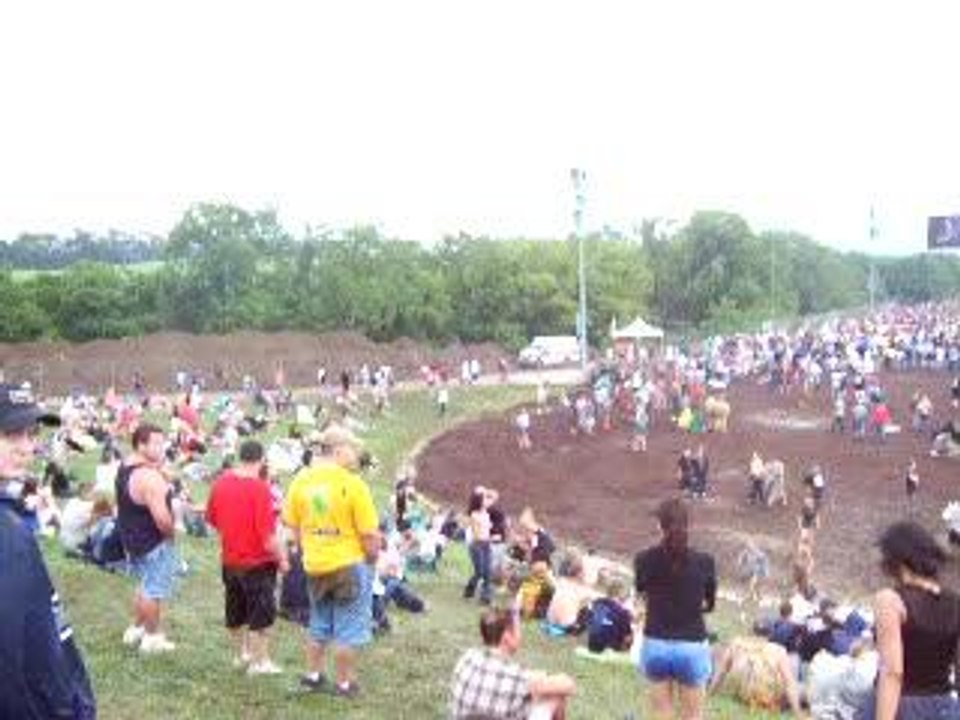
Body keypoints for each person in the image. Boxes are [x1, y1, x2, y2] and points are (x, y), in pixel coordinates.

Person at [0, 382, 97, 719]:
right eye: (11, 435)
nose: (26, 448)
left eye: (31, 434)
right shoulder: (8, 533)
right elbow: (22, 654)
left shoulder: (12, 514)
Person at [283, 425, 380, 698]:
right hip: (348, 563)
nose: (356, 454)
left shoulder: (301, 481)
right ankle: (345, 684)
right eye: (352, 449)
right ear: (339, 450)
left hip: (315, 563)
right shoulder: (353, 484)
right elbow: (369, 534)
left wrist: (309, 548)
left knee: (319, 623)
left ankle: (313, 676)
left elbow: (292, 525)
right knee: (347, 627)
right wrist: (371, 560)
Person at [860, 521, 960, 719]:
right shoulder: (956, 602)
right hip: (942, 706)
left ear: (898, 559)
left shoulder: (890, 600)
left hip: (899, 705)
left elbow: (892, 673)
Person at [205, 440, 289, 675]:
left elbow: (211, 518)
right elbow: (268, 537)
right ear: (261, 459)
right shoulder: (260, 488)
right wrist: (282, 559)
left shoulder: (221, 483)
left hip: (230, 559)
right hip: (257, 562)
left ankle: (240, 655)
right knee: (261, 614)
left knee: (235, 610)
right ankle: (259, 662)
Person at [635, 498, 717, 720]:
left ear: (659, 526)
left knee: (662, 713)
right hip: (692, 644)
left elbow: (641, 590)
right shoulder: (705, 562)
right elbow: (709, 604)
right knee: (693, 716)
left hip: (656, 643)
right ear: (688, 525)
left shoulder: (643, 559)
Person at [450, 605, 576, 720]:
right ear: (507, 637)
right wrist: (542, 679)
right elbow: (568, 685)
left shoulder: (467, 657)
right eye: (517, 630)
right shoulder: (516, 676)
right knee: (554, 696)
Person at [117, 423, 179, 653]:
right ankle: (152, 638)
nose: (161, 447)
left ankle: (137, 629)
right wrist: (171, 535)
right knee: (154, 590)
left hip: (132, 538)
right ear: (140, 444)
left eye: (162, 442)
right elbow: (162, 518)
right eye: (156, 443)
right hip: (152, 541)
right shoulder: (149, 477)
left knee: (144, 587)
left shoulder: (126, 465)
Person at [709, 636, 805, 716]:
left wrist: (711, 693)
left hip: (743, 695)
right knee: (799, 687)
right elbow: (789, 682)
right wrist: (798, 712)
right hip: (769, 698)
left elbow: (720, 672)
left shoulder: (736, 645)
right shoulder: (778, 650)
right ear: (770, 634)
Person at [464, 486, 498, 605]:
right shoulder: (474, 515)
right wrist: (492, 538)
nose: (487, 500)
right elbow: (478, 536)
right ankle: (469, 589)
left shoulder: (486, 513)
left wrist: (486, 492)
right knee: (480, 572)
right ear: (479, 502)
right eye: (484, 499)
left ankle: (486, 598)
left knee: (488, 572)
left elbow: (494, 496)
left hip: (486, 545)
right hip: (477, 546)